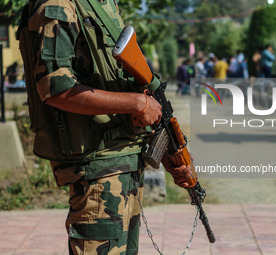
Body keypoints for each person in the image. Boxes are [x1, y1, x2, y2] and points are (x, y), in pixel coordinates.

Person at [18, 0, 191, 254]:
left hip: (126, 165)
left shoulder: (104, 4)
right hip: (97, 170)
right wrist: (139, 103)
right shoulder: (57, 4)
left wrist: (166, 150)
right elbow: (56, 89)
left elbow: (120, 84)